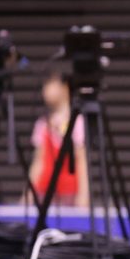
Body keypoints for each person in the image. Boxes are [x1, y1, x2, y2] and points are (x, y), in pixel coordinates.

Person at [29, 71, 89, 208]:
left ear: (65, 87)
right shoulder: (42, 124)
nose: (45, 90)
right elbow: (38, 162)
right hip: (44, 193)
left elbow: (82, 162)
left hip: (70, 195)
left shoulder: (77, 123)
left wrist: (84, 196)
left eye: (50, 84)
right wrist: (28, 193)